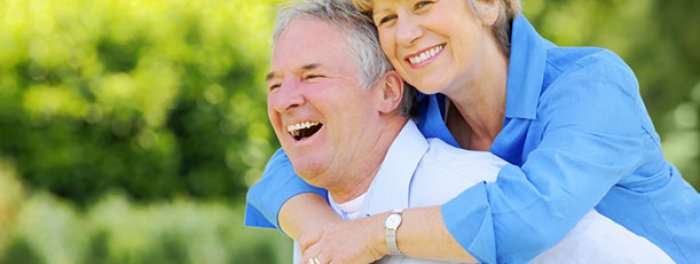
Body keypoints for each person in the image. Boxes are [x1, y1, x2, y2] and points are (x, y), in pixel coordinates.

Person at [246, 0, 700, 263]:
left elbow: (528, 217)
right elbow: (293, 161)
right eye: (387, 18)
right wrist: (323, 236)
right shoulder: (425, 108)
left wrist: (370, 233)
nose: (405, 34)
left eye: (423, 3)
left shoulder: (589, 83)